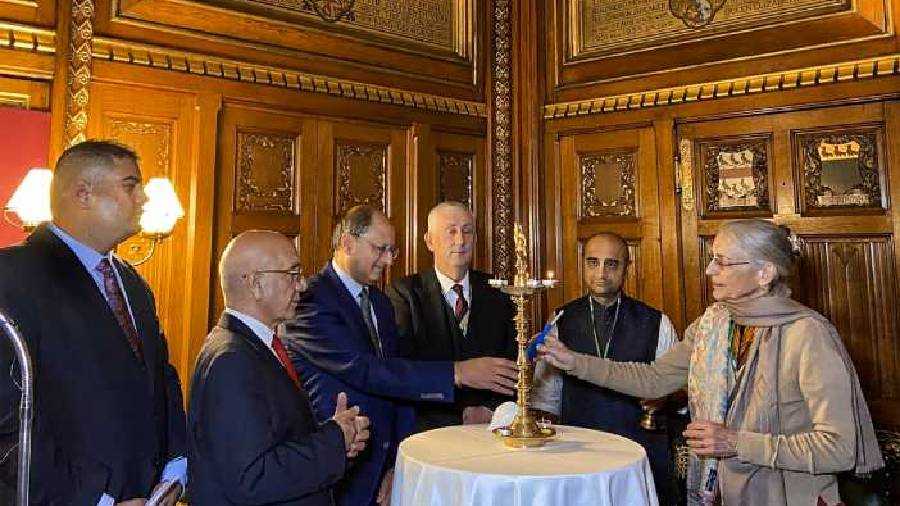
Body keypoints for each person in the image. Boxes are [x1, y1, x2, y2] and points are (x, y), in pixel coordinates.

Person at [539, 219, 884, 506]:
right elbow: (652, 380)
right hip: (722, 493)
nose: (708, 270)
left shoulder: (808, 334)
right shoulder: (713, 324)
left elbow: (839, 448)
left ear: (764, 273)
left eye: (722, 261)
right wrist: (572, 361)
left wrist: (736, 443)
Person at [284, 205, 518, 506]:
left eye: (392, 250)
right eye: (380, 249)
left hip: (383, 465)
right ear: (347, 243)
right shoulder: (311, 301)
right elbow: (364, 370)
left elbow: (398, 384)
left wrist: (398, 459)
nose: (388, 260)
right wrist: (457, 372)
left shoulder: (379, 302)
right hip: (338, 466)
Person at [0, 140, 186, 505]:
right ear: (83, 193)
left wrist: (175, 471)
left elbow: (162, 380)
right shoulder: (12, 277)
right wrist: (96, 501)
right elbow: (9, 421)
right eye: (131, 185)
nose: (144, 198)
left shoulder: (132, 283)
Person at [188, 231, 371, 505]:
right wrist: (334, 440)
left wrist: (337, 440)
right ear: (255, 284)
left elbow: (278, 440)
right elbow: (253, 477)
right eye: (292, 274)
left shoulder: (254, 346)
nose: (303, 285)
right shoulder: (231, 360)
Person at [531, 232, 678, 505]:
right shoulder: (561, 320)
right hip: (578, 447)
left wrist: (663, 397)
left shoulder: (657, 322)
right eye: (593, 262)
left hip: (638, 446)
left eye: (611, 264)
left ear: (627, 268)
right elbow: (546, 396)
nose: (601, 273)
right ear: (582, 265)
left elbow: (672, 383)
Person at [388, 202, 517, 430]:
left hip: (492, 428)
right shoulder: (404, 294)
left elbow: (511, 367)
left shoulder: (499, 292)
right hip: (429, 431)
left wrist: (488, 411)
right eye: (452, 231)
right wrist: (460, 415)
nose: (460, 241)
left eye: (467, 231)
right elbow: (401, 372)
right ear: (429, 241)